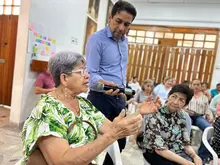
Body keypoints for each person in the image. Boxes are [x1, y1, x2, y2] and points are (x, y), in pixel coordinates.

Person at [21, 51, 160, 165]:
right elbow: (62, 161)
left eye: (86, 71)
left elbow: (111, 128)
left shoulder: (84, 104)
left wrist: (139, 111)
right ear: (64, 79)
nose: (88, 76)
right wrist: (113, 134)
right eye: (81, 72)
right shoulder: (47, 109)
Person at [86, 1, 137, 164]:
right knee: (94, 145)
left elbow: (121, 71)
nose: (122, 28)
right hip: (100, 98)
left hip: (119, 99)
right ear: (110, 17)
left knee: (119, 143)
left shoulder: (125, 42)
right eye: (118, 21)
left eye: (127, 24)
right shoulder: (97, 39)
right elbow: (91, 74)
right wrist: (103, 83)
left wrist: (124, 93)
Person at [142, 84, 202, 165]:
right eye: (174, 96)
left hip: (176, 152)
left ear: (185, 105)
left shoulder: (183, 116)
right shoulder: (154, 111)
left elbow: (185, 144)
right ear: (168, 95)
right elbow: (159, 149)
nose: (175, 102)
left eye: (181, 100)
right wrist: (187, 163)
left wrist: (195, 156)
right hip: (154, 152)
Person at [185, 79, 213, 161]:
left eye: (198, 84)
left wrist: (210, 115)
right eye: (194, 84)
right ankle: (186, 153)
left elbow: (207, 109)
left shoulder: (204, 97)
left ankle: (202, 156)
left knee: (208, 128)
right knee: (185, 128)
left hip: (199, 116)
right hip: (187, 115)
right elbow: (183, 107)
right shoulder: (187, 94)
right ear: (191, 85)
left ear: (201, 86)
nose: (196, 86)